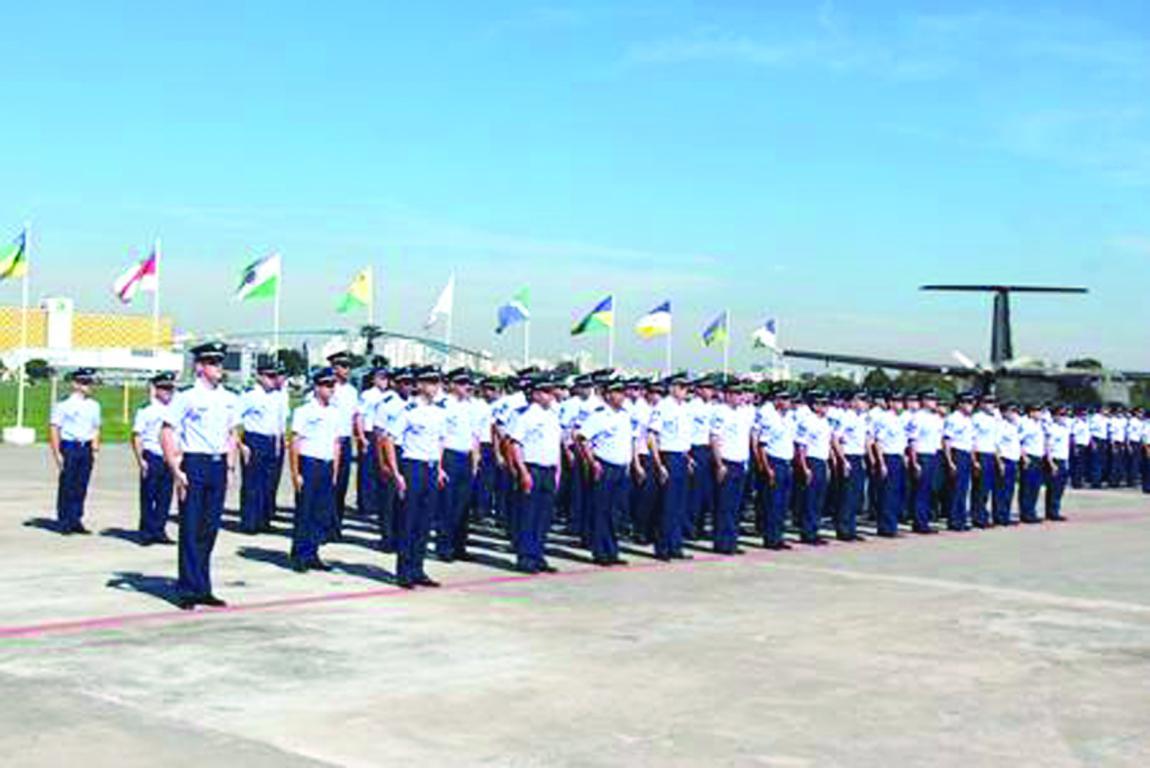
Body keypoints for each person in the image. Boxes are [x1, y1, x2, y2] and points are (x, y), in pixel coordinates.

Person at [162, 342, 239, 610]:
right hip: (195, 463)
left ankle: (203, 586)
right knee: (191, 527)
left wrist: (230, 468)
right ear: (199, 367)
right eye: (213, 363)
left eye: (220, 363)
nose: (219, 368)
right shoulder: (186, 397)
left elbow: (232, 434)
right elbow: (168, 431)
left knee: (209, 529)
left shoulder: (229, 397)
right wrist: (176, 469)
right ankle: (187, 589)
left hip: (217, 465)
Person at [380, 365, 447, 589]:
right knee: (408, 520)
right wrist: (396, 472)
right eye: (429, 381)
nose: (434, 386)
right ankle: (404, 571)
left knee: (425, 522)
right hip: (413, 466)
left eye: (437, 381)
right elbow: (388, 439)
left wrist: (439, 467)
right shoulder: (408, 410)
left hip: (430, 468)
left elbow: (439, 441)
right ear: (419, 385)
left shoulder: (439, 411)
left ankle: (418, 568)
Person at [576, 378, 637, 566]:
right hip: (605, 467)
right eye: (618, 392)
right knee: (601, 511)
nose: (622, 396)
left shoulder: (625, 415)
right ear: (608, 395)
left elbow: (629, 441)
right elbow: (581, 438)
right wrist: (592, 461)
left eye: (623, 392)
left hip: (621, 468)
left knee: (615, 512)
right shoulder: (599, 416)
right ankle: (600, 551)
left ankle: (612, 550)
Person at [506, 373, 562, 573]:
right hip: (532, 469)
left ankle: (538, 554)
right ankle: (526, 557)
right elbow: (515, 445)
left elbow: (556, 447)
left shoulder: (553, 416)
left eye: (551, 391)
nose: (550, 395)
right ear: (536, 394)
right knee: (528, 515)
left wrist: (558, 471)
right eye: (546, 392)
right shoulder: (526, 416)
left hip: (549, 469)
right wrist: (523, 472)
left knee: (544, 516)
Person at [289, 367, 342, 571]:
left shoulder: (334, 412)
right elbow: (295, 442)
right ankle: (300, 555)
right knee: (305, 511)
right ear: (317, 387)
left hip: (327, 466)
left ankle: (313, 553)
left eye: (333, 385)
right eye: (327, 385)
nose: (331, 389)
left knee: (321, 512)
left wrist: (335, 471)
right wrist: (295, 473)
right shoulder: (304, 411)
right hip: (309, 464)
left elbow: (336, 443)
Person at [49, 368, 102, 535]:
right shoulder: (63, 405)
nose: (88, 385)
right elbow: (54, 428)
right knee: (68, 485)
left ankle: (76, 519)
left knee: (81, 485)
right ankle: (64, 521)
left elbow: (96, 428)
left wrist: (95, 447)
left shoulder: (94, 405)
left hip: (85, 447)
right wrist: (57, 453)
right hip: (70, 446)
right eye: (84, 382)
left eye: (89, 382)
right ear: (75, 384)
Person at [237, 358, 287, 534]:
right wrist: (241, 444)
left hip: (274, 441)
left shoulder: (277, 396)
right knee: (252, 483)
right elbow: (234, 421)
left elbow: (281, 422)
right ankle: (249, 522)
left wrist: (281, 443)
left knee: (269, 483)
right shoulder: (250, 396)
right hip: (254, 440)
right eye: (269, 376)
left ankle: (264, 520)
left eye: (275, 376)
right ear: (259, 376)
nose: (273, 379)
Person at [648, 373, 694, 560]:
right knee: (666, 505)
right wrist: (659, 464)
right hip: (668, 457)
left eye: (687, 388)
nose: (686, 391)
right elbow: (652, 437)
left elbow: (683, 437)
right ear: (673, 388)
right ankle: (663, 547)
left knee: (679, 505)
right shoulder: (663, 407)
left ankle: (675, 545)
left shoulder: (684, 408)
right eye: (682, 387)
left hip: (681, 457)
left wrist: (687, 457)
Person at [437, 368, 480, 562]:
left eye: (467, 383)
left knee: (463, 505)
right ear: (452, 385)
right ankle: (445, 547)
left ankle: (460, 546)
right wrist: (439, 466)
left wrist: (475, 461)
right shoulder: (444, 406)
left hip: (466, 457)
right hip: (449, 456)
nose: (466, 387)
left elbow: (474, 436)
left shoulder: (470, 406)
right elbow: (439, 437)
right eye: (461, 383)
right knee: (448, 504)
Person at [131, 371, 177, 545]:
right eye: (164, 388)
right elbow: (137, 436)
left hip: (169, 457)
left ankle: (159, 530)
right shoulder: (146, 410)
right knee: (148, 496)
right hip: (152, 455)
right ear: (155, 389)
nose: (168, 392)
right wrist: (140, 460)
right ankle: (146, 532)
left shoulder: (175, 409)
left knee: (165, 496)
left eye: (170, 388)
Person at [710, 380, 755, 555]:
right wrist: (719, 464)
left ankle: (732, 540)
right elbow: (714, 439)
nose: (739, 397)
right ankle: (722, 542)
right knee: (724, 505)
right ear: (728, 395)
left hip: (740, 462)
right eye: (736, 394)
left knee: (736, 506)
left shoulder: (744, 413)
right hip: (727, 462)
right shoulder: (721, 412)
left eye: (740, 393)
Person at [752, 389, 797, 550]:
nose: (787, 402)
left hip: (786, 462)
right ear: (776, 400)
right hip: (774, 462)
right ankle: (770, 538)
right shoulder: (770, 418)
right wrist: (766, 468)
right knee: (773, 503)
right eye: (783, 399)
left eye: (788, 399)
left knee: (783, 504)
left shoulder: (789, 418)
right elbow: (762, 445)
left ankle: (778, 536)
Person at [326, 351, 360, 539]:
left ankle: (336, 523)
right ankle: (326, 523)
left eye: (349, 367)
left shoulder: (352, 391)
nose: (347, 370)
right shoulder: (330, 388)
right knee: (328, 483)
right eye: (343, 366)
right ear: (334, 368)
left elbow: (355, 417)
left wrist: (359, 437)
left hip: (345, 442)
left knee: (341, 485)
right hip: (330, 442)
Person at [794, 391, 834, 545]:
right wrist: (804, 467)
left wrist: (828, 465)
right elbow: (801, 446)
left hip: (822, 461)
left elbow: (827, 444)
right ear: (815, 405)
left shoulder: (824, 421)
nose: (826, 407)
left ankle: (814, 529)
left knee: (819, 499)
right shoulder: (807, 421)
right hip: (811, 461)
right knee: (810, 499)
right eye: (822, 404)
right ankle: (807, 532)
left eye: (827, 404)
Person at [870, 391, 908, 538]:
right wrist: (881, 462)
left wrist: (904, 456)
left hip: (897, 457)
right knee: (887, 494)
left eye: (901, 401)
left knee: (896, 493)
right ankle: (886, 527)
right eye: (897, 401)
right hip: (888, 457)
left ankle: (892, 525)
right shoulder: (884, 418)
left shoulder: (900, 419)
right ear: (890, 403)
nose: (900, 404)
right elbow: (878, 442)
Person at [686, 376, 717, 540]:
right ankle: (690, 527)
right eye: (705, 388)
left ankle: (700, 525)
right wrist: (689, 454)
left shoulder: (712, 407)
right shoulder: (691, 407)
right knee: (695, 492)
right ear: (698, 390)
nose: (709, 392)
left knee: (706, 492)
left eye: (710, 389)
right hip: (696, 449)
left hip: (709, 450)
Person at [908, 391, 943, 535]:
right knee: (921, 490)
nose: (935, 402)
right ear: (923, 401)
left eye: (935, 399)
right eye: (932, 399)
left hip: (934, 454)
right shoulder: (917, 418)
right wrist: (915, 461)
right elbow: (912, 441)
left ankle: (925, 519)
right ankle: (919, 522)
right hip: (923, 455)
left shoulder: (936, 418)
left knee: (930, 489)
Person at [942, 393, 975, 532]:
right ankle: (954, 520)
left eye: (972, 403)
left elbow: (972, 441)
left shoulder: (968, 419)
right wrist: (950, 461)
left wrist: (973, 460)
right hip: (957, 453)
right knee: (956, 489)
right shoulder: (953, 418)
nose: (971, 406)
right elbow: (946, 440)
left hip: (966, 454)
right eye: (968, 403)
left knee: (963, 488)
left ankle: (961, 518)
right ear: (960, 404)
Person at [970, 395, 1001, 529]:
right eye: (988, 402)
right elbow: (972, 439)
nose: (991, 405)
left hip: (991, 454)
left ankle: (983, 514)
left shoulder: (994, 418)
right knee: (980, 488)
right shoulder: (977, 418)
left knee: (987, 487)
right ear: (981, 404)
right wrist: (975, 459)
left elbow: (995, 440)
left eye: (993, 402)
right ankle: (977, 517)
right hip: (980, 453)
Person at [994, 404, 1023, 526]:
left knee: (1010, 490)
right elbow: (996, 445)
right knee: (1002, 490)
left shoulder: (1014, 427)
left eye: (1015, 411)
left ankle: (1005, 514)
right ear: (1004, 413)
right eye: (1011, 411)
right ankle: (1000, 516)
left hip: (1013, 460)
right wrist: (999, 462)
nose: (1014, 414)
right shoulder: (1001, 426)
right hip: (1004, 459)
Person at [1018, 403, 1045, 523]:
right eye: (1037, 411)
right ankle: (1026, 513)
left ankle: (1031, 511)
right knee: (1027, 487)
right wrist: (1023, 457)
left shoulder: (1038, 424)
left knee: (1035, 486)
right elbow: (1018, 441)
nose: (1040, 414)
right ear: (1031, 412)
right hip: (1029, 457)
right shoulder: (1026, 425)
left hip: (1038, 457)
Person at [1043, 406, 1071, 522]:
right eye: (1061, 415)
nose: (1063, 417)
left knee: (1060, 488)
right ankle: (1052, 512)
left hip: (1063, 459)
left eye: (1065, 415)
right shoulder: (1052, 429)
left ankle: (1055, 510)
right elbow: (1048, 447)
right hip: (1055, 460)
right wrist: (1051, 463)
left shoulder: (1065, 428)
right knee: (1053, 488)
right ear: (1054, 416)